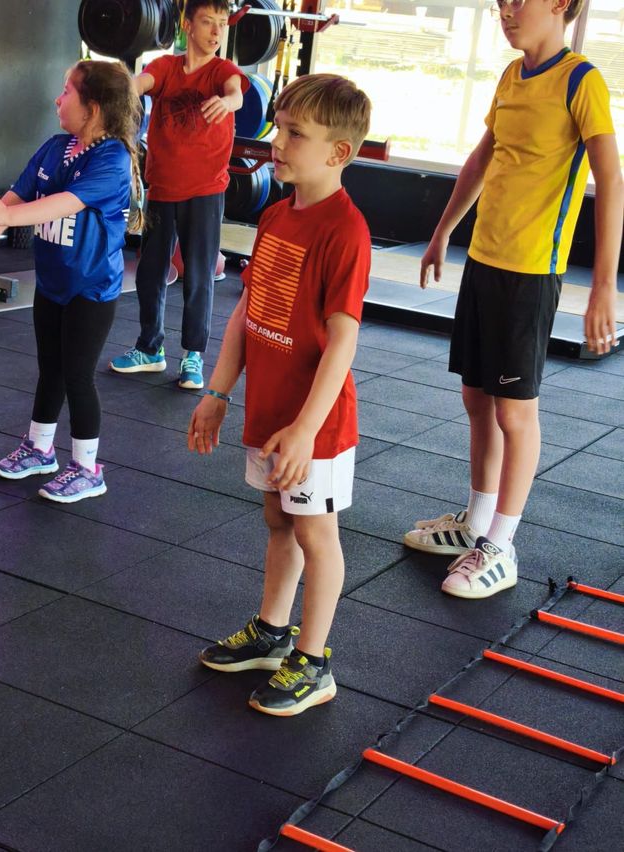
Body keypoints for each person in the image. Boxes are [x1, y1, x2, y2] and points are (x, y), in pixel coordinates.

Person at [404, 0, 622, 599]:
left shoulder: (581, 81)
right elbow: (484, 155)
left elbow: (611, 178)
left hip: (530, 273)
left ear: (560, 4)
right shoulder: (511, 75)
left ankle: (501, 545)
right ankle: (476, 521)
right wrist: (443, 231)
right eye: (501, 1)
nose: (506, 10)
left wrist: (604, 286)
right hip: (485, 260)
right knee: (476, 397)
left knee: (514, 412)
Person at [188, 74, 372, 716]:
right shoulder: (274, 216)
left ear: (338, 152)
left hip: (314, 423)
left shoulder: (345, 230)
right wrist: (217, 391)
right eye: (280, 128)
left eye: (296, 134)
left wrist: (305, 429)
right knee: (277, 520)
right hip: (269, 409)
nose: (278, 143)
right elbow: (248, 311)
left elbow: (343, 341)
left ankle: (314, 662)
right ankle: (272, 632)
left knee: (315, 533)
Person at [0, 60, 140, 503]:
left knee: (78, 375)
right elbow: (17, 196)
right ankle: (40, 449)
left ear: (92, 107)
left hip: (91, 288)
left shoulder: (112, 159)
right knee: (50, 368)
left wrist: (3, 217)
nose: (57, 99)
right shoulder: (56, 147)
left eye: (67, 92)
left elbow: (61, 204)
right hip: (54, 281)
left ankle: (88, 469)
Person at [109, 0, 248, 390]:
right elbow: (141, 83)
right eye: (207, 22)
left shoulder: (223, 71)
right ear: (188, 25)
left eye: (222, 24)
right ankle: (150, 348)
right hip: (163, 188)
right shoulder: (167, 67)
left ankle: (193, 355)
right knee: (151, 272)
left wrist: (228, 102)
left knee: (199, 274)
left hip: (205, 191)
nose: (216, 31)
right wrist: (117, 90)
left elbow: (236, 93)